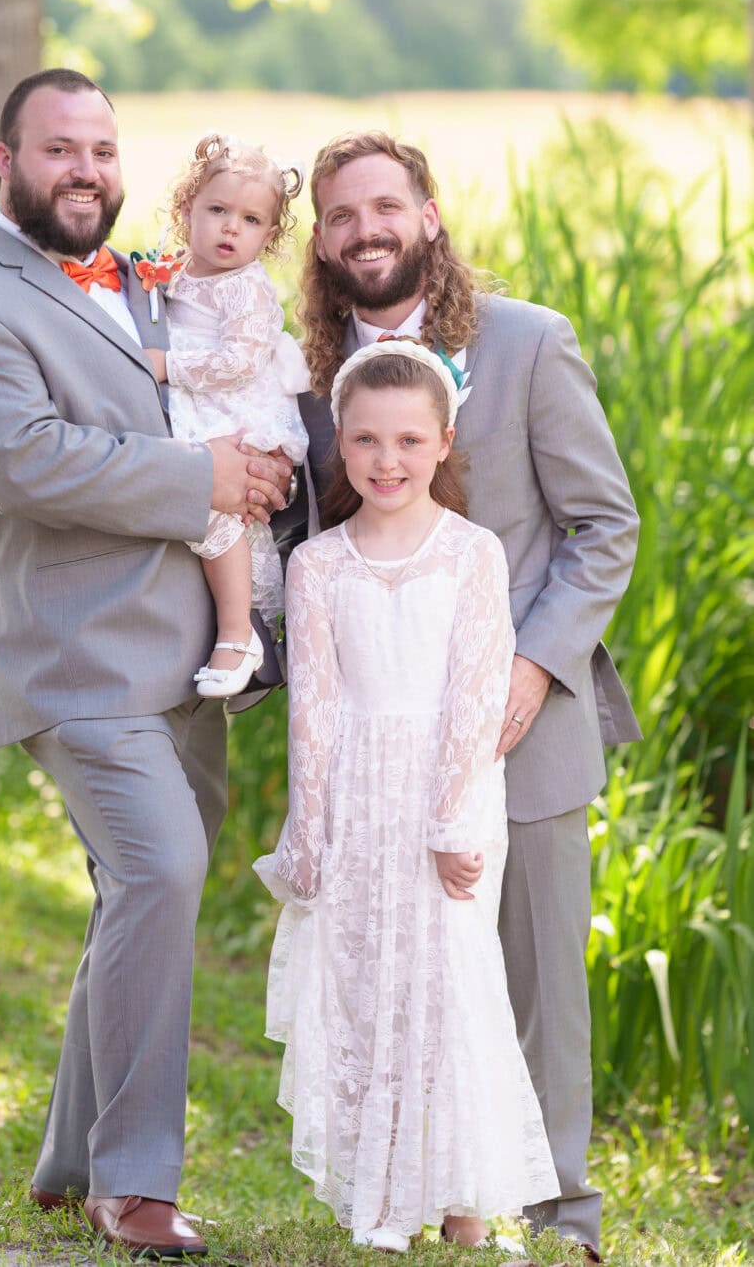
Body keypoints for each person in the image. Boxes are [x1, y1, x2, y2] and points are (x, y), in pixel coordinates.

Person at [0, 68, 289, 1261]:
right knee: (163, 869)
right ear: (5, 159)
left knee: (140, 892)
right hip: (76, 666)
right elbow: (29, 461)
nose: (86, 170)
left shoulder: (147, 284)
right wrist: (209, 481)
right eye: (61, 148)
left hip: (189, 664)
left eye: (104, 151)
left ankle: (69, 1156)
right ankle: (132, 1183)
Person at [296, 132, 641, 1261]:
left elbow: (603, 528)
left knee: (538, 975)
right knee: (408, 971)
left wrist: (533, 666)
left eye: (385, 207)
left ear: (428, 216)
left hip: (521, 725)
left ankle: (565, 1214)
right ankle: (431, 1190)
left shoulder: (530, 343)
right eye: (341, 215)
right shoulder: (308, 381)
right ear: (322, 239)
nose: (366, 231)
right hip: (382, 744)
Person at [256, 341, 559, 1251]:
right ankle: (381, 1195)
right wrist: (307, 832)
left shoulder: (471, 554)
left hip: (447, 794)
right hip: (354, 799)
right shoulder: (318, 566)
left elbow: (473, 696)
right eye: (365, 442)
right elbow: (313, 709)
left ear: (443, 441)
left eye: (407, 441)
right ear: (340, 448)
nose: (386, 462)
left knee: (449, 985)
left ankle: (465, 1199)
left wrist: (450, 820)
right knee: (363, 979)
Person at [142, 133, 309, 699]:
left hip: (235, 409)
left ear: (269, 234)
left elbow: (240, 360)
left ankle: (239, 634)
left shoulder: (246, 288)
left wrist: (170, 366)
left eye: (251, 219)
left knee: (220, 510)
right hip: (197, 405)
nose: (230, 228)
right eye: (217, 211)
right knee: (191, 505)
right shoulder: (174, 268)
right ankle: (216, 626)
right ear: (187, 209)